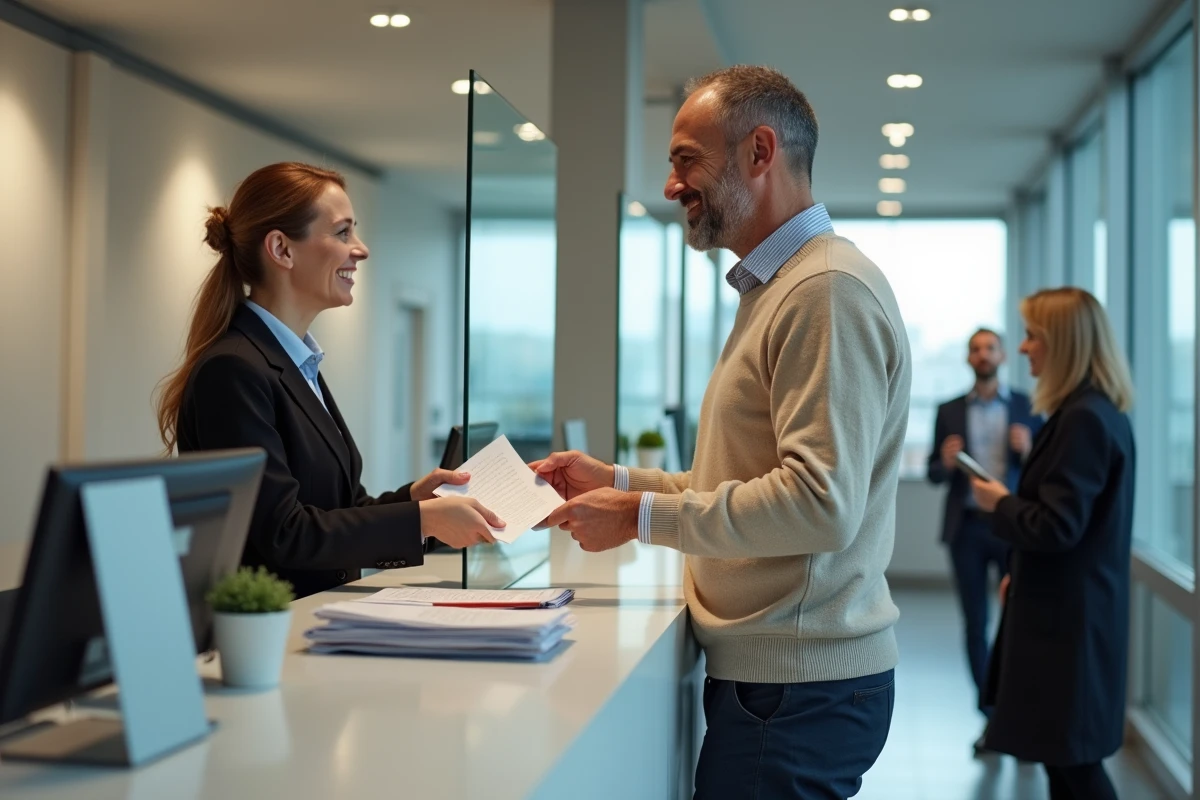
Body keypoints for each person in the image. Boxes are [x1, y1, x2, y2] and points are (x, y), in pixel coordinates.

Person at [536, 66, 911, 798]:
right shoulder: (780, 289)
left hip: (797, 694)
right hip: (785, 688)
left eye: (685, 160)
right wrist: (617, 482)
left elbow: (819, 504)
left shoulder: (823, 291)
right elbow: (744, 477)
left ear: (759, 153)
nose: (672, 185)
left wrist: (641, 516)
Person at [155, 162, 504, 599]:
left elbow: (339, 511)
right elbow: (283, 533)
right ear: (282, 249)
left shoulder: (292, 362)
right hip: (272, 638)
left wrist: (417, 501)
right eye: (342, 233)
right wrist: (421, 521)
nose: (360, 250)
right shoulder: (233, 370)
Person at [970, 287, 1134, 800]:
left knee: (1075, 771)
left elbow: (1058, 526)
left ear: (1063, 344)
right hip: (1070, 618)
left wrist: (1001, 504)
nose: (1022, 349)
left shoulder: (1083, 419)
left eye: (1032, 337)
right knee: (1066, 767)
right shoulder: (1094, 412)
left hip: (1069, 629)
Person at [926, 328, 1041, 753]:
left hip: (1013, 527)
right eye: (975, 348)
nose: (982, 354)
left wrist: (1027, 450)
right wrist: (945, 461)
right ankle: (991, 720)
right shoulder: (949, 410)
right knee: (976, 624)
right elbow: (934, 476)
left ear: (1003, 356)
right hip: (968, 530)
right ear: (968, 358)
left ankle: (1019, 716)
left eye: (990, 347)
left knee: (1020, 624)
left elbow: (1044, 477)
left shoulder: (1027, 408)